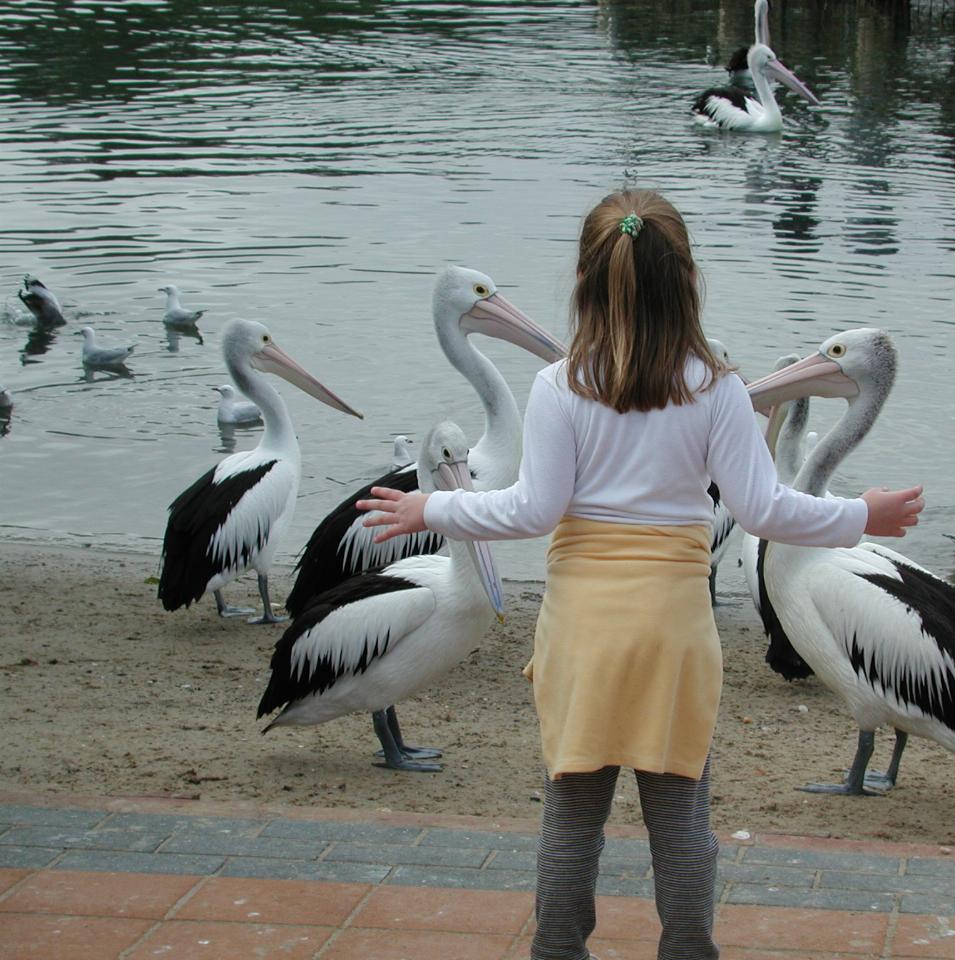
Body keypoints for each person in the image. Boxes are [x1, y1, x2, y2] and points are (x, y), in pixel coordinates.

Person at [357, 190, 923, 960]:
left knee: (573, 814)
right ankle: (688, 948)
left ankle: (558, 949)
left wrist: (434, 510)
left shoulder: (561, 385)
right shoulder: (717, 388)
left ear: (586, 284)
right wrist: (863, 515)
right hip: (674, 634)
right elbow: (763, 510)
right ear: (688, 281)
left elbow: (529, 510)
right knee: (679, 812)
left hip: (582, 634)